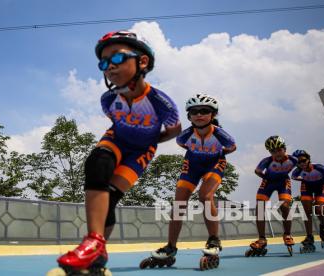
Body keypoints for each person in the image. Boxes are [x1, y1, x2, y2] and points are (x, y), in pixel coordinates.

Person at [55, 30, 181, 275]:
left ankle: (99, 250)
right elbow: (115, 121)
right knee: (97, 163)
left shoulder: (161, 103)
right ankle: (93, 242)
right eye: (103, 62)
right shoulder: (108, 100)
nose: (109, 67)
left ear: (142, 62)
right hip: (117, 139)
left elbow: (175, 130)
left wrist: (153, 140)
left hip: (141, 151)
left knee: (110, 200)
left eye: (116, 58)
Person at [141, 94, 236, 270]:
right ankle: (170, 247)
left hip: (214, 163)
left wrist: (214, 155)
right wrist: (198, 152)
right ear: (189, 116)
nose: (199, 114)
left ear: (213, 115)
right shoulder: (185, 135)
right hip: (192, 164)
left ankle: (214, 240)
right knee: (178, 204)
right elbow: (180, 143)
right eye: (194, 111)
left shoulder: (221, 135)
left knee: (205, 196)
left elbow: (232, 147)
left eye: (204, 111)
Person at [245, 135, 297, 257]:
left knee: (284, 206)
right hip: (268, 182)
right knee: (260, 207)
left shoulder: (293, 160)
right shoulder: (267, 161)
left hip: (283, 182)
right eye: (273, 151)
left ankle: (287, 234)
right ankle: (262, 239)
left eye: (279, 150)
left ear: (284, 149)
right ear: (269, 152)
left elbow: (301, 168)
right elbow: (257, 171)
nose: (277, 153)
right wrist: (265, 178)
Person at [292, 149, 324, 252]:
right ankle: (309, 236)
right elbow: (294, 177)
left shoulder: (319, 167)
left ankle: (323, 225)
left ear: (308, 159)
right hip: (307, 186)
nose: (301, 163)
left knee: (319, 209)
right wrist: (306, 179)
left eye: (303, 160)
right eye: (298, 162)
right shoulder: (297, 171)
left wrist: (318, 180)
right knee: (306, 211)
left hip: (320, 186)